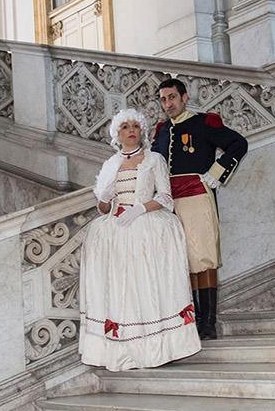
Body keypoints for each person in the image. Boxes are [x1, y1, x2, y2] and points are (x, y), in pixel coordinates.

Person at [79, 108, 201, 372]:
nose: (131, 130)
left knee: (146, 285)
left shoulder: (154, 159)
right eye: (125, 127)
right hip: (116, 230)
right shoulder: (110, 165)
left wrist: (140, 209)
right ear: (117, 134)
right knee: (121, 290)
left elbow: (166, 198)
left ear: (142, 131)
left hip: (146, 226)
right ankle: (122, 349)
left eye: (135, 126)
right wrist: (106, 201)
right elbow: (102, 207)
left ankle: (157, 348)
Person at [151, 78, 248, 340]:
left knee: (203, 259)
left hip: (197, 196)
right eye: (163, 99)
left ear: (184, 97)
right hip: (170, 202)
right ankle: (190, 320)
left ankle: (208, 323)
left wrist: (216, 172)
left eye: (172, 97)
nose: (167, 103)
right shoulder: (161, 130)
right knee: (183, 260)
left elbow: (239, 143)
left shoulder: (204, 123)